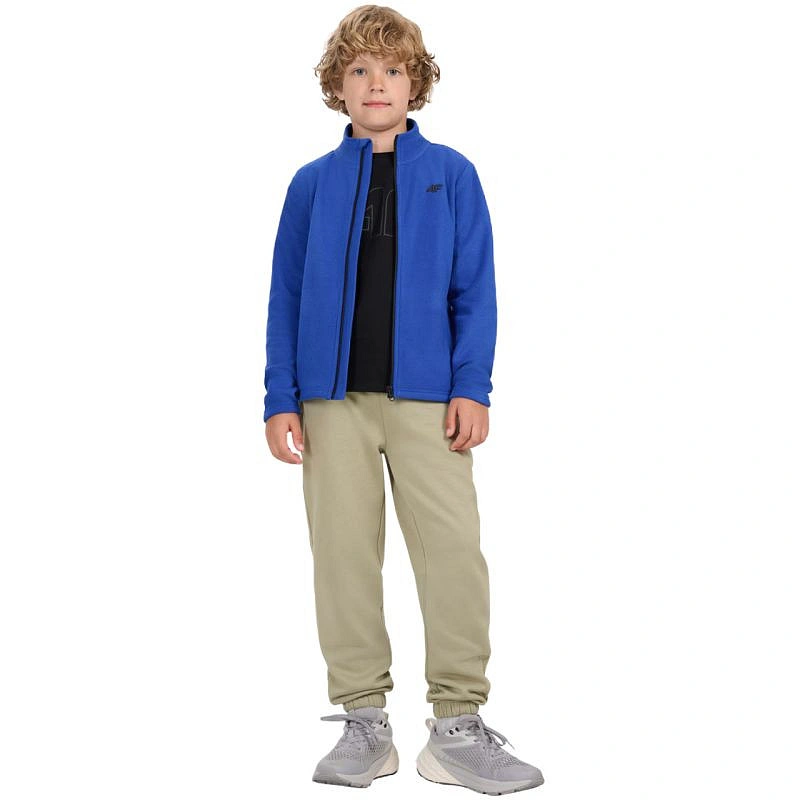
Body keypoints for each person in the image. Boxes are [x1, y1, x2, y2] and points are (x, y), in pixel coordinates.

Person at [262, 5, 544, 794]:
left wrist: (471, 386)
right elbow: (286, 297)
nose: (376, 82)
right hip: (330, 403)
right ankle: (363, 721)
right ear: (337, 86)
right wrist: (281, 398)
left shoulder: (451, 174)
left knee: (454, 552)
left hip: (428, 401)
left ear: (416, 84)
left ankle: (457, 726)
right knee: (343, 557)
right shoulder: (311, 184)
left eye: (392, 69)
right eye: (359, 70)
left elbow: (475, 291)